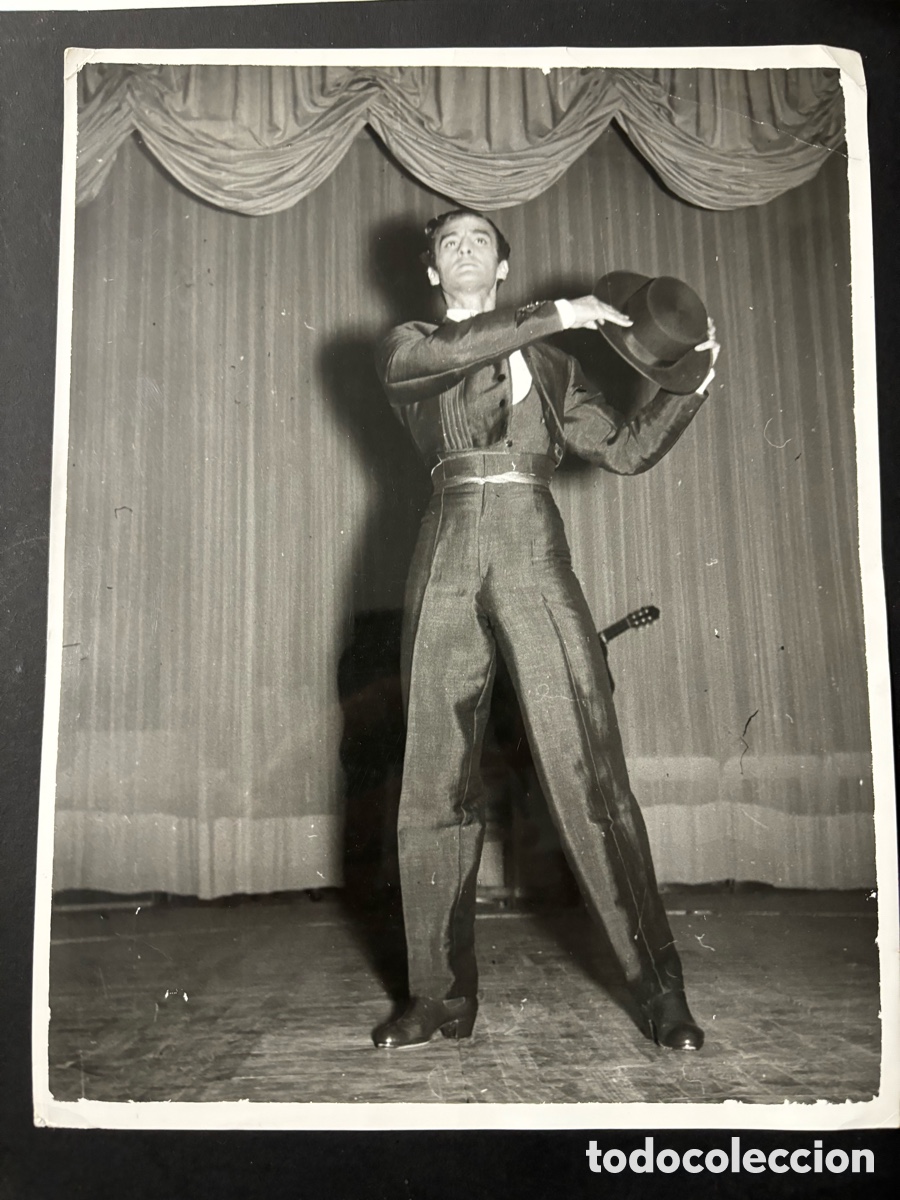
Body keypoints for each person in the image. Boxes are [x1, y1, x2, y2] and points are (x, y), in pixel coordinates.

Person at [372, 209, 720, 1052]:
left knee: (587, 769)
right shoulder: (409, 344)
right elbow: (449, 357)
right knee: (431, 783)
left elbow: (627, 451)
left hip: (531, 540)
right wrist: (554, 312)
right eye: (448, 243)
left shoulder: (556, 365)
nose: (462, 250)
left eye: (478, 241)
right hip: (446, 542)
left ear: (501, 266)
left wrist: (692, 386)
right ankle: (438, 1000)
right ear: (432, 274)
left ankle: (661, 993)